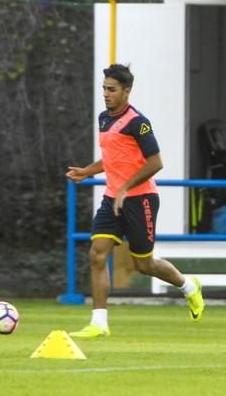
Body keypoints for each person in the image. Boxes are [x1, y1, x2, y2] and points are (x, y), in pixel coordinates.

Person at [66, 63, 204, 338]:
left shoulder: (138, 122)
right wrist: (87, 171)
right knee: (97, 255)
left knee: (144, 264)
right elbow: (113, 159)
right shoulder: (104, 118)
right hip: (112, 199)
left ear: (127, 91)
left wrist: (126, 188)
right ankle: (99, 324)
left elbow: (156, 163)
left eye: (112, 89)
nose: (106, 94)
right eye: (104, 88)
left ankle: (189, 287)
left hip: (140, 199)